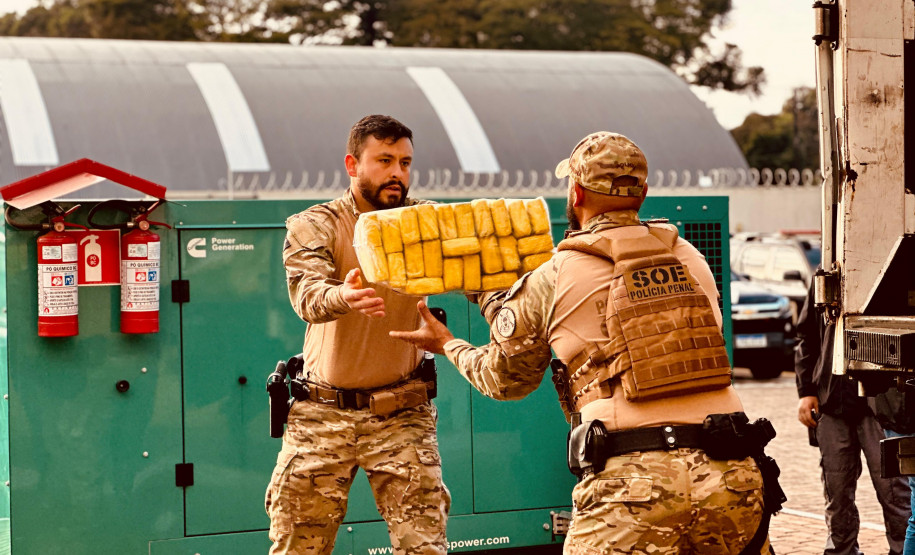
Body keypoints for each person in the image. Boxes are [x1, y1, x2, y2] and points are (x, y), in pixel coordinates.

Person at [392, 131, 780, 554]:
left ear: (575, 193)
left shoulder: (555, 275)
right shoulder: (691, 258)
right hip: (735, 474)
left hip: (635, 485)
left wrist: (447, 343)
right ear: (643, 193)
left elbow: (505, 380)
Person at [265, 115, 450, 555]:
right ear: (353, 164)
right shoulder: (318, 224)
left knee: (424, 547)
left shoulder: (426, 223)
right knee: (298, 547)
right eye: (384, 160)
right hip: (322, 415)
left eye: (405, 163)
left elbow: (484, 267)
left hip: (401, 413)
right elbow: (307, 294)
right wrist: (342, 296)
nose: (397, 174)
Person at [795, 279, 910, 555]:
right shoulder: (823, 278)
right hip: (832, 402)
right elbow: (806, 337)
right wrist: (806, 391)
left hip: (880, 405)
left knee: (894, 493)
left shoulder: (884, 272)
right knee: (837, 493)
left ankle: (903, 550)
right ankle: (842, 551)